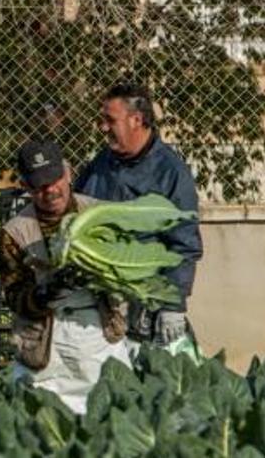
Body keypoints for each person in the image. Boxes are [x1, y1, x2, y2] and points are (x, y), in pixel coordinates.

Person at [1, 140, 131, 415]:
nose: (50, 191)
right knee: (38, 421)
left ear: (68, 173)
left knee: (111, 417)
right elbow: (15, 297)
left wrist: (104, 274)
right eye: (39, 185)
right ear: (26, 186)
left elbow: (127, 271)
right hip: (45, 342)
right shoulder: (15, 232)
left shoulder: (99, 215)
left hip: (98, 333)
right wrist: (47, 292)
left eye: (55, 179)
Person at [73, 83, 203, 347]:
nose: (103, 127)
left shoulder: (170, 172)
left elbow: (183, 244)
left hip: (147, 306)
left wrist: (172, 305)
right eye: (103, 120)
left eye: (110, 120)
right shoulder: (100, 165)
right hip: (101, 304)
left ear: (137, 120)